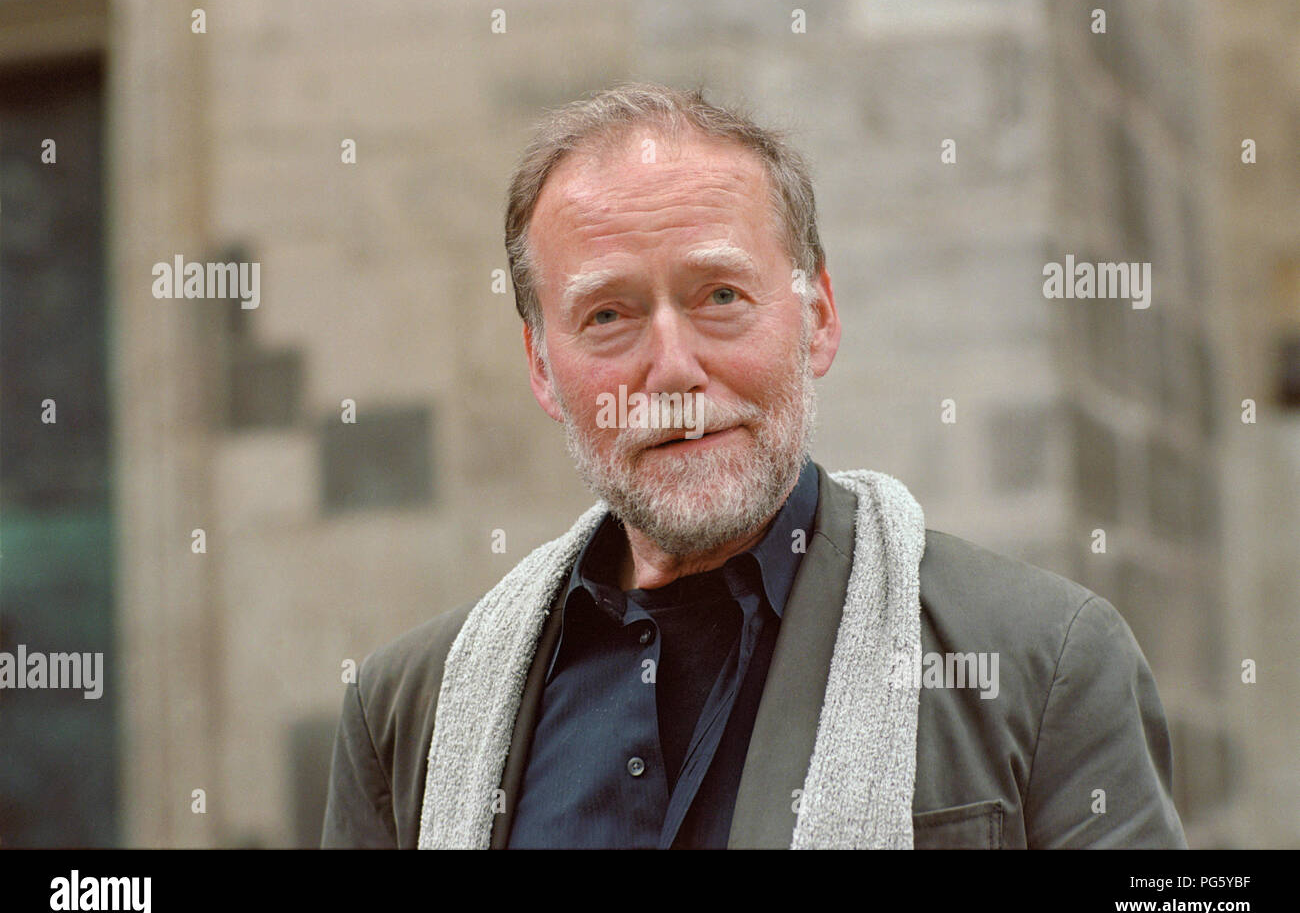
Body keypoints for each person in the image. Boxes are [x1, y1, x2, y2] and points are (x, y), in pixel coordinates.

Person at [321, 82, 1187, 849]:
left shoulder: (1042, 663)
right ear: (543, 367)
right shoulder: (410, 715)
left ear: (819, 317)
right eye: (609, 315)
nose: (671, 369)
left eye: (721, 297)